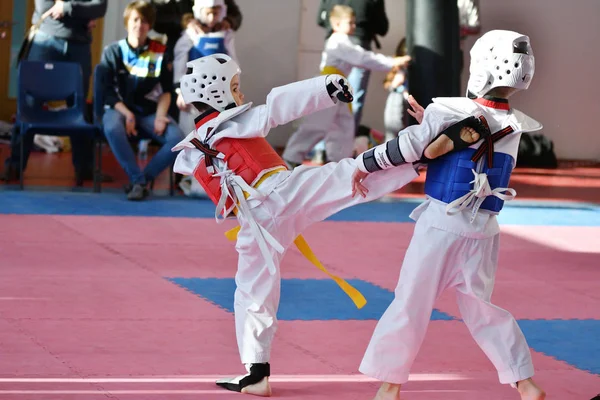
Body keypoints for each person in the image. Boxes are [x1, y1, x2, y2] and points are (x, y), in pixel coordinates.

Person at [171, 53, 482, 396]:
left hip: (256, 220)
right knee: (347, 179)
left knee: (251, 290)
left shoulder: (195, 145)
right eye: (235, 88)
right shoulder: (230, 124)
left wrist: (323, 90)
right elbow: (277, 107)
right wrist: (325, 88)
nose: (241, 96)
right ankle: (419, 151)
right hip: (277, 196)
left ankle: (256, 371)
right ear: (215, 92)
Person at [352, 30, 546, 400]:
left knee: (410, 301)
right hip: (484, 230)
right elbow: (473, 137)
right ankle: (525, 382)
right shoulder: (515, 125)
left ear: (481, 67)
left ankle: (389, 387)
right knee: (481, 309)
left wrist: (362, 165)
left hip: (442, 224)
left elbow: (412, 148)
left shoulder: (450, 112)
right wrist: (434, 121)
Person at [282, 5, 409, 167]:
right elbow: (361, 58)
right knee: (317, 125)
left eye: (354, 23)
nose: (354, 26)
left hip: (339, 86)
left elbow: (361, 57)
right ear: (336, 25)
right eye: (350, 23)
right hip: (328, 86)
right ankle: (291, 157)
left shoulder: (343, 41)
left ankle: (340, 161)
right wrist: (392, 62)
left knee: (344, 126)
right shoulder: (337, 41)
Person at [1, 0, 108, 185]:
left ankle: (84, 169)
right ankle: (15, 166)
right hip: (46, 41)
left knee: (79, 108)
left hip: (79, 46)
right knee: (29, 105)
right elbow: (45, 6)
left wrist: (65, 7)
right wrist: (82, 14)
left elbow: (100, 7)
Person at [99, 0, 184, 200]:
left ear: (150, 25)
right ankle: (139, 180)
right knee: (112, 128)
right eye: (136, 19)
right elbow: (107, 92)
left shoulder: (159, 51)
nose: (140, 25)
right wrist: (127, 114)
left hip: (148, 111)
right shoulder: (113, 51)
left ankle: (140, 181)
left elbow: (166, 91)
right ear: (127, 22)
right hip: (118, 109)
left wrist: (160, 117)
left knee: (177, 138)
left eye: (145, 21)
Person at [173, 0, 237, 136]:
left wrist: (235, 88)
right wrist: (180, 91)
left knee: (219, 130)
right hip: (194, 90)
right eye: (208, 13)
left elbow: (233, 61)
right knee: (190, 131)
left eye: (216, 13)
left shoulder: (226, 34)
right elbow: (180, 62)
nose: (212, 18)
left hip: (220, 91)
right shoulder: (191, 33)